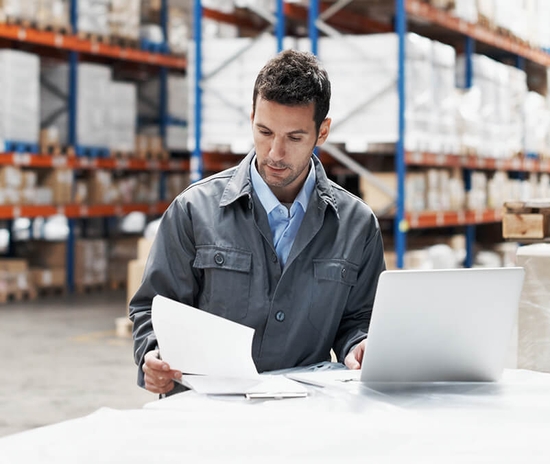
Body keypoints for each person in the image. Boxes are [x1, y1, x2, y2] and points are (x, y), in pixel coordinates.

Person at [130, 49, 386, 395]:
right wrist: (152, 354)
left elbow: (358, 321)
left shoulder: (357, 226)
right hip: (205, 413)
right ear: (251, 117)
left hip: (305, 413)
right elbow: (153, 306)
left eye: (294, 138)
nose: (275, 153)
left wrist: (360, 346)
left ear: (322, 132)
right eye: (264, 131)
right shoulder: (193, 210)